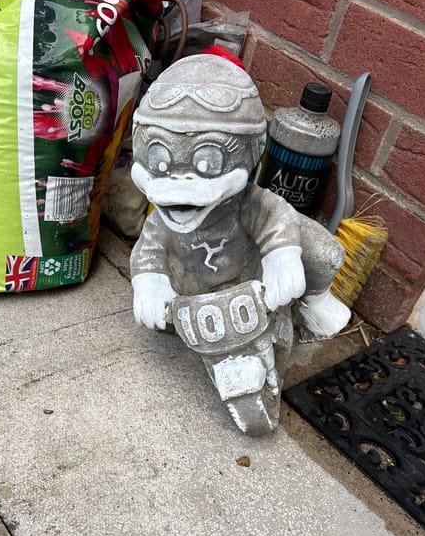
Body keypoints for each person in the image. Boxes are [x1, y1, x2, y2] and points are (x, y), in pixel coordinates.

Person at [129, 53, 350, 339]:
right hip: (200, 276)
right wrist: (149, 280)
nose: (182, 184)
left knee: (323, 253)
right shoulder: (164, 218)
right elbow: (148, 248)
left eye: (208, 163)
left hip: (251, 266)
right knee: (175, 314)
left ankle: (314, 300)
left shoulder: (246, 200)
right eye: (161, 163)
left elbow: (274, 215)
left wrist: (281, 252)